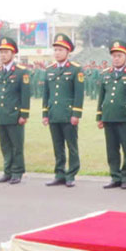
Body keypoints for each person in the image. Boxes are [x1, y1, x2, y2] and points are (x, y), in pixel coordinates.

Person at [97, 40, 126, 190]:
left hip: (125, 118)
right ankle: (115, 176)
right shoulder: (105, 74)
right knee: (112, 149)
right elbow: (101, 97)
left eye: (119, 55)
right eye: (114, 56)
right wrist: (99, 117)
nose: (116, 58)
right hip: (109, 117)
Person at [42, 34, 84, 188]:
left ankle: (71, 174)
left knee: (71, 146)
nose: (57, 53)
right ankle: (59, 174)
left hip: (68, 115)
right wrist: (45, 114)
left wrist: (76, 114)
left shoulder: (75, 69)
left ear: (68, 52)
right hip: (54, 114)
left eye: (60, 50)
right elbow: (46, 94)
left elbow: (78, 94)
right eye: (55, 50)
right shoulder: (49, 70)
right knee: (57, 146)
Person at [0, 36, 30, 184]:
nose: (3, 55)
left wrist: (24, 114)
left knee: (16, 145)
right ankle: (7, 171)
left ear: (13, 54)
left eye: (6, 52)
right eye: (1, 52)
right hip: (1, 114)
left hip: (15, 115)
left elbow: (25, 95)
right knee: (5, 145)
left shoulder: (21, 72)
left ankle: (17, 172)